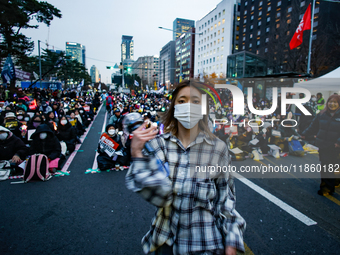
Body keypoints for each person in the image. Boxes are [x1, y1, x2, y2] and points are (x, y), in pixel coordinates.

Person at [126, 80, 246, 255]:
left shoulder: (218, 149)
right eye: (182, 101)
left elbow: (226, 202)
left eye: (195, 101)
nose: (188, 106)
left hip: (206, 244)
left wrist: (231, 242)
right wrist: (137, 152)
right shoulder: (159, 145)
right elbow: (158, 196)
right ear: (174, 107)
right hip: (167, 241)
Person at [302, 94, 340, 196]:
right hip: (324, 145)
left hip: (336, 147)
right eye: (330, 102)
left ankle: (332, 183)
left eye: (335, 102)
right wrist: (304, 134)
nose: (332, 104)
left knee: (334, 166)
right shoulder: (321, 114)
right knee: (325, 166)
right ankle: (326, 187)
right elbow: (313, 126)